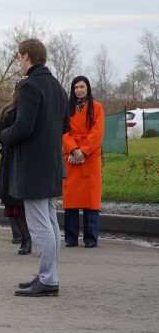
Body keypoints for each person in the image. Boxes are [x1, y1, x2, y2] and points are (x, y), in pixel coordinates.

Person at [0, 39, 69, 297]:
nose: (19, 61)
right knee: (49, 222)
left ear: (26, 56)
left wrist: (4, 136)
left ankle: (48, 279)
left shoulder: (30, 86)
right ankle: (47, 274)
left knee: (40, 225)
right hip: (51, 163)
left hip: (32, 166)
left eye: (19, 57)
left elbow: (23, 127)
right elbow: (65, 126)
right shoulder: (57, 86)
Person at [62, 76, 105, 248]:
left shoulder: (97, 107)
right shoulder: (67, 108)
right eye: (76, 87)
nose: (79, 90)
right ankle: (71, 238)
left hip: (89, 157)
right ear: (72, 90)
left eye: (82, 87)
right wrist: (73, 149)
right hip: (72, 156)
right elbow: (63, 131)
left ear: (88, 88)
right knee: (71, 198)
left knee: (91, 198)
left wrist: (83, 151)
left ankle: (90, 238)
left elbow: (97, 133)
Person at [0, 80, 31, 255]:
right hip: (11, 160)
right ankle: (24, 238)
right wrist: (12, 136)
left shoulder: (32, 110)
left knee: (30, 205)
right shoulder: (8, 111)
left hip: (29, 161)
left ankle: (31, 238)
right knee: (16, 204)